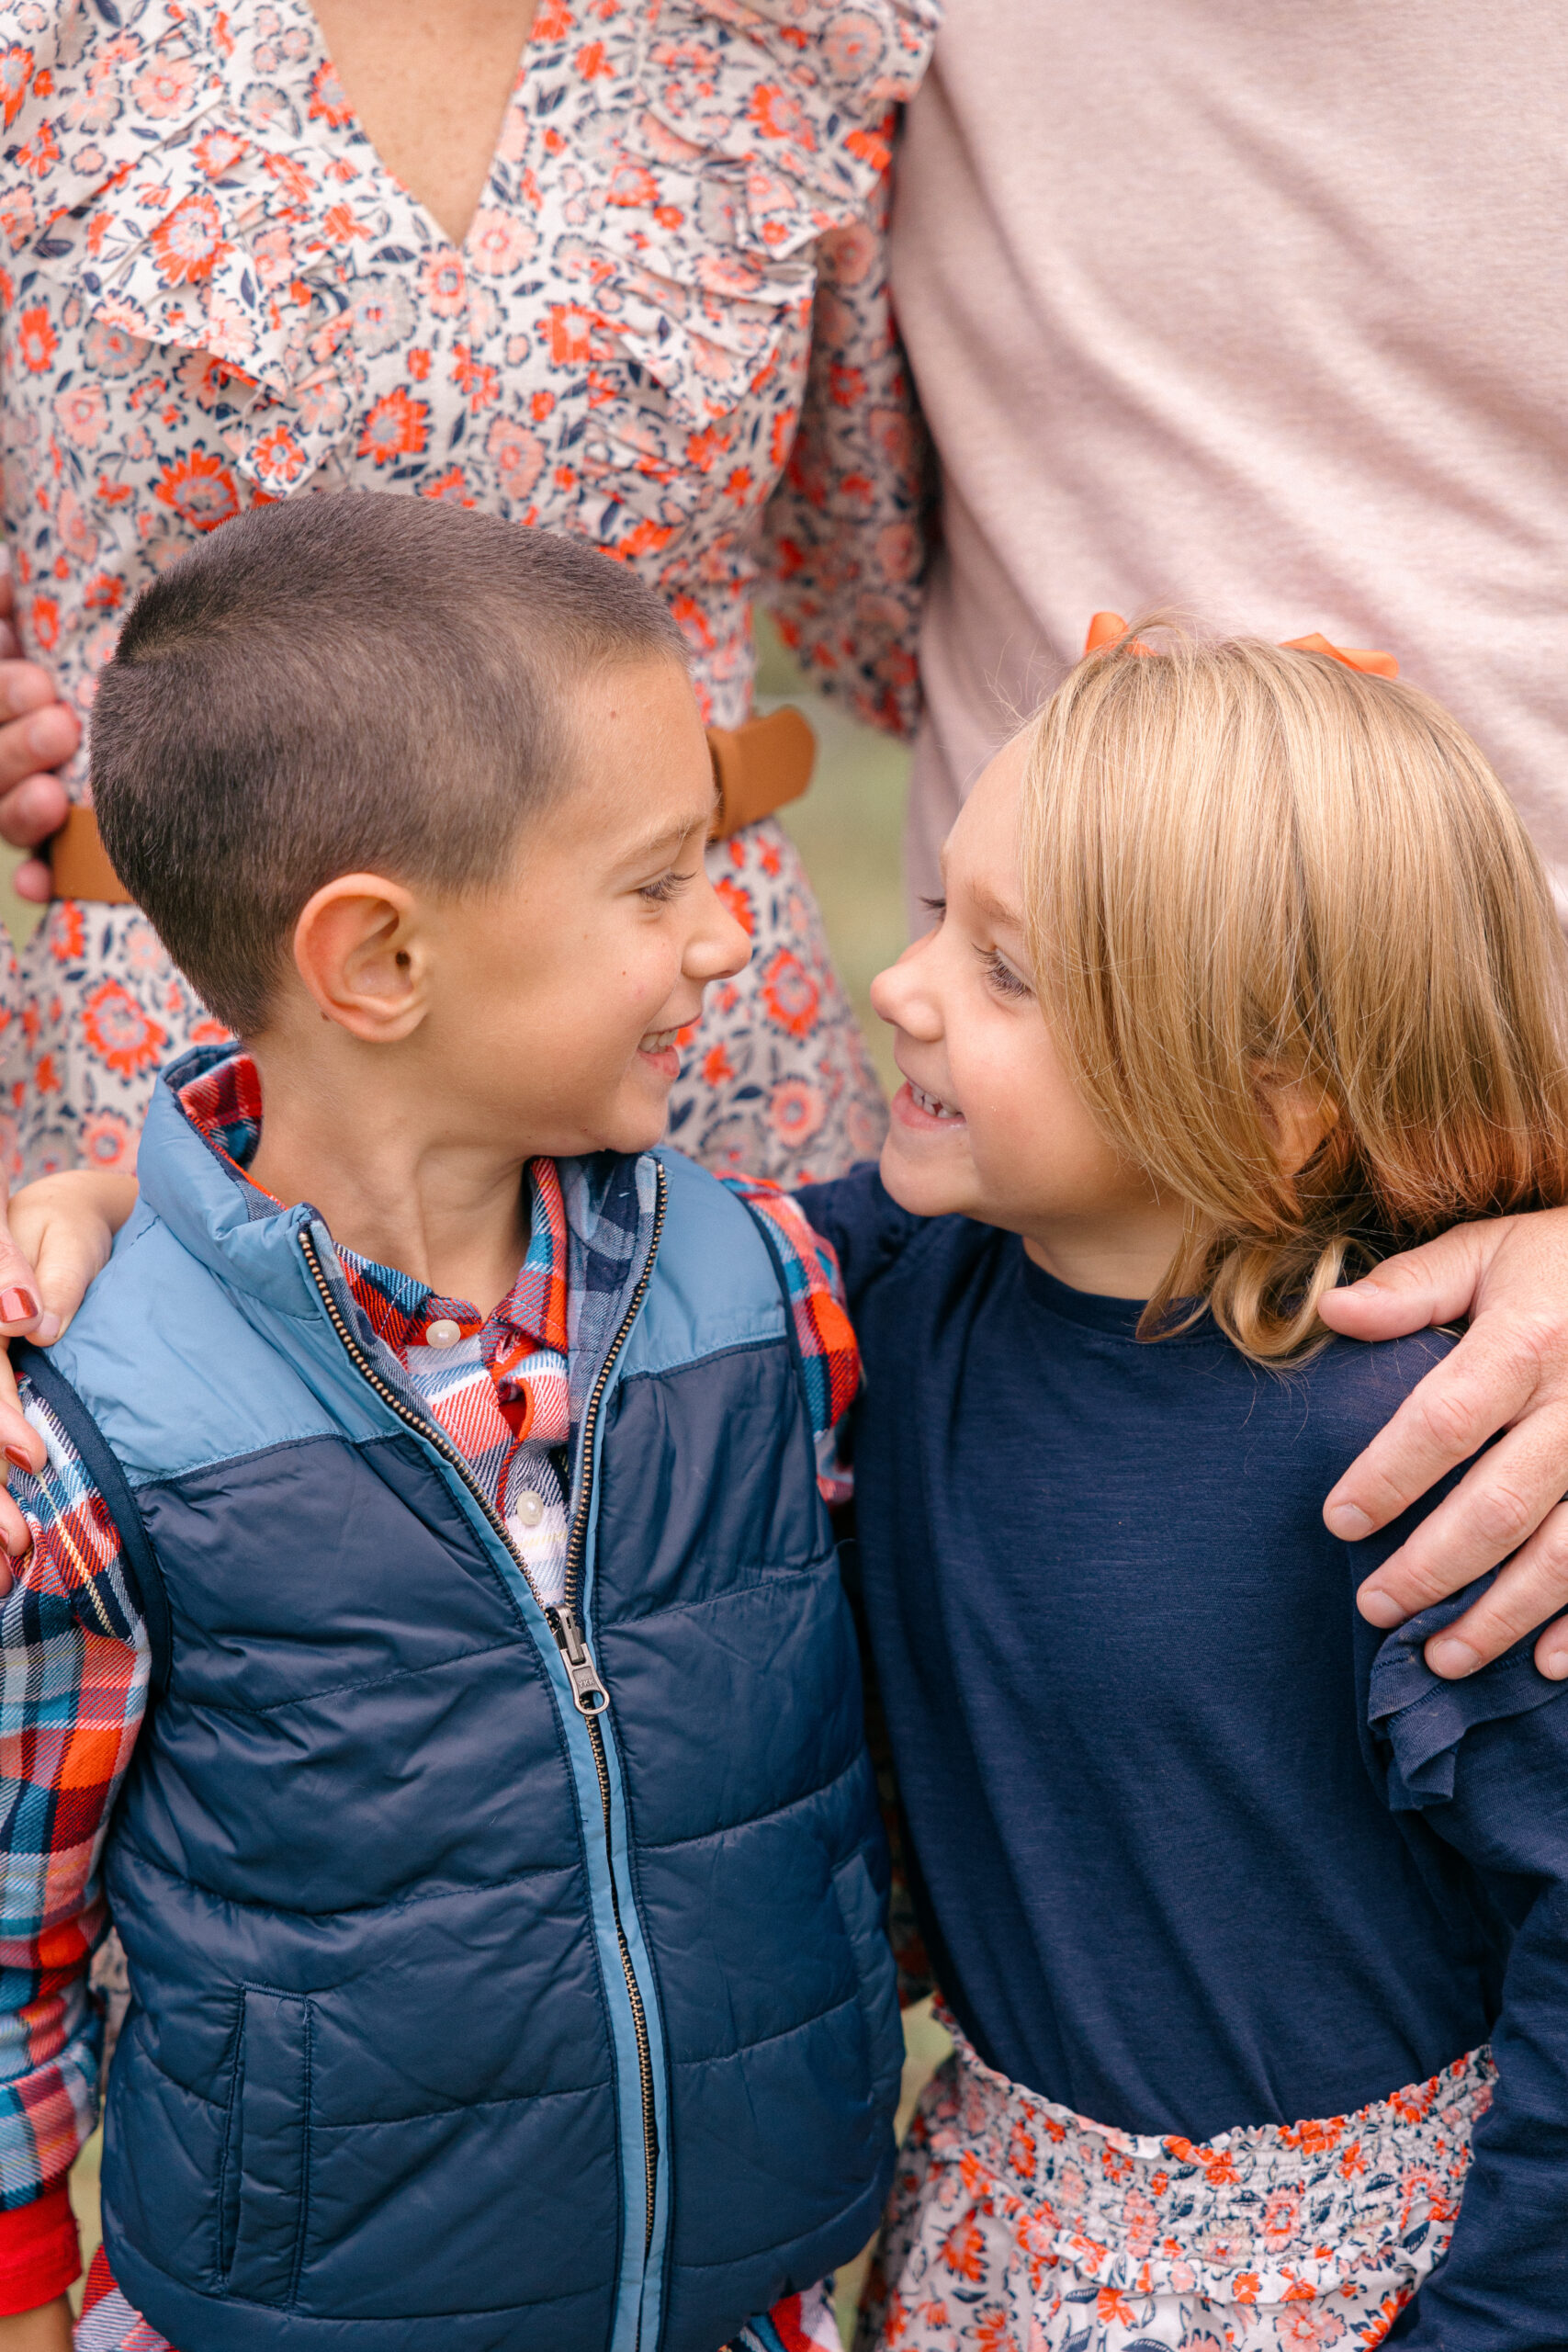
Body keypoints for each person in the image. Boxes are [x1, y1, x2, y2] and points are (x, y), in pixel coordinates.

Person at [0, 494, 897, 2350]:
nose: (725, 938)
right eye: (653, 884)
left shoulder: (765, 1294)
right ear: (381, 961)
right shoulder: (93, 1431)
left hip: (745, 2300)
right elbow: (11, 1947)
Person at [794, 621, 1568, 2348]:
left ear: (1273, 1101)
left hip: (1354, 2302)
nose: (903, 990)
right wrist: (122, 1213)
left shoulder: (1425, 1453)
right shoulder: (901, 1291)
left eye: (1008, 970)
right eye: (937, 916)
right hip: (990, 2252)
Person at [0, 0, 939, 1185]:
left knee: (741, 1363)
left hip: (699, 1044)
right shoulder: (49, 36)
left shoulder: (766, 28)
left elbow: (891, 595)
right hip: (204, 1068)